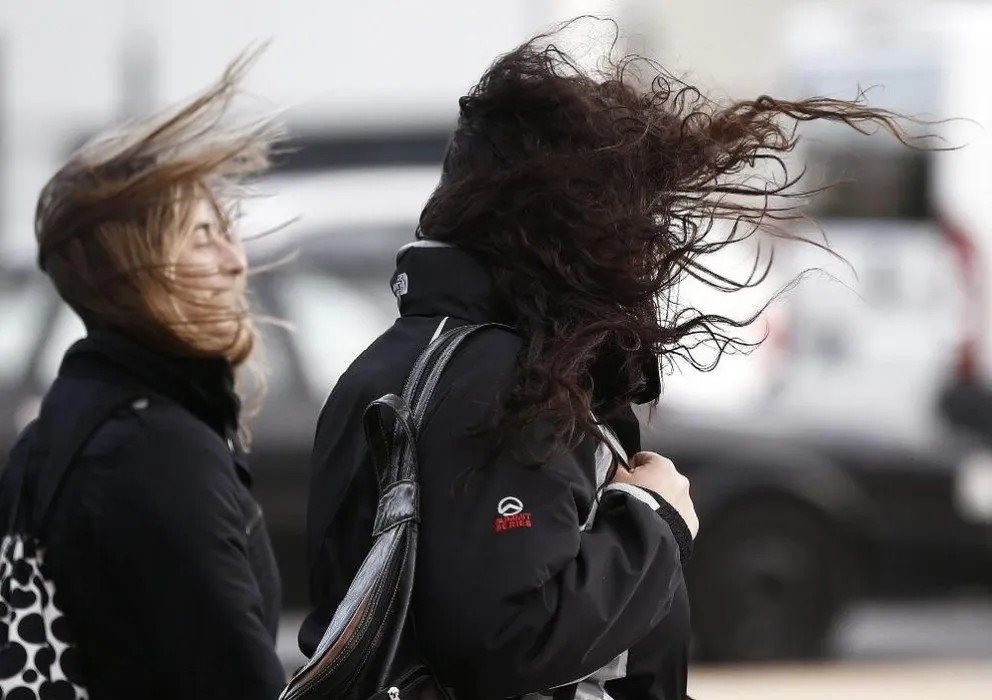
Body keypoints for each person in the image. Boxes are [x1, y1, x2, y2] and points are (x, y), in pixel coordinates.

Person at [300, 22, 922, 700]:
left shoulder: (390, 362)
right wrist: (650, 517)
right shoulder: (500, 374)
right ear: (566, 223)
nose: (646, 243)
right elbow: (509, 638)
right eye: (626, 214)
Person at [0, 49, 287, 699]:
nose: (236, 261)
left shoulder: (57, 430)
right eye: (201, 236)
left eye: (227, 231)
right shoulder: (159, 451)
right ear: (136, 272)